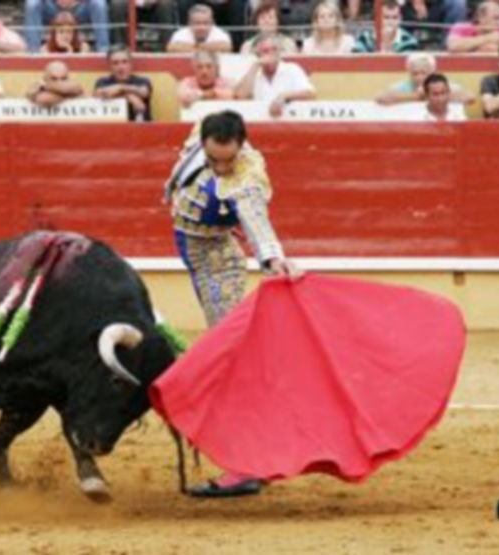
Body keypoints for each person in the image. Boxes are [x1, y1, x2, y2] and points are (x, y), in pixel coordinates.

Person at [164, 110, 300, 498]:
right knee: (228, 357)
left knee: (230, 362)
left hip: (217, 263)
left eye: (229, 160)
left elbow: (256, 220)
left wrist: (273, 258)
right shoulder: (201, 131)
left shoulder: (247, 176)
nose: (222, 168)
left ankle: (247, 464)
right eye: (214, 160)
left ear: (242, 146)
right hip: (200, 250)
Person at [234, 35, 317, 118]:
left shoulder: (291, 68)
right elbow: (241, 97)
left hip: (289, 120)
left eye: (274, 49)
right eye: (265, 51)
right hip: (259, 120)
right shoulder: (253, 73)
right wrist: (256, 65)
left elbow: (310, 94)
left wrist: (283, 96)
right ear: (258, 55)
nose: (271, 53)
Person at [375, 53, 474, 106]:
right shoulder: (404, 86)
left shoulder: (442, 85)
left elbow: (470, 98)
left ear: (432, 72)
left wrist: (433, 96)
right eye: (415, 73)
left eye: (423, 73)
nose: (419, 77)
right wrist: (415, 97)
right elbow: (380, 98)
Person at [93, 45, 152, 122]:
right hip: (112, 127)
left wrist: (120, 88)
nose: (121, 67)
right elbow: (99, 94)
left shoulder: (142, 81)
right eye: (115, 63)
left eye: (124, 62)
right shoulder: (102, 82)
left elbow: (144, 92)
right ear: (109, 66)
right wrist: (129, 96)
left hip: (141, 128)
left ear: (131, 64)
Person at [354, 0, 418, 53]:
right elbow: (359, 62)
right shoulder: (365, 38)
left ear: (400, 18)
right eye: (386, 17)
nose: (390, 22)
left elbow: (403, 64)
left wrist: (387, 44)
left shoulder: (409, 41)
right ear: (378, 18)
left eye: (394, 18)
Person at [167, 3, 232, 53]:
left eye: (205, 23)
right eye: (197, 23)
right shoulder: (180, 34)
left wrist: (194, 47)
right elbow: (171, 48)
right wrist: (207, 48)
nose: (201, 27)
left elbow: (226, 47)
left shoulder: (220, 33)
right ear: (189, 23)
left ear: (212, 23)